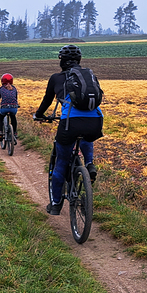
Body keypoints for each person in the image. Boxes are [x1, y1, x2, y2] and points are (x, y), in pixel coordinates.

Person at [32, 44, 103, 215]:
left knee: (61, 163)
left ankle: (56, 204)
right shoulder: (88, 76)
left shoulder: (56, 78)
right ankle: (89, 164)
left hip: (70, 123)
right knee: (86, 137)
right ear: (79, 60)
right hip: (95, 121)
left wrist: (39, 115)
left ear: (61, 61)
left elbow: (47, 100)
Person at [0, 73, 19, 141]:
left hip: (4, 108)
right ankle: (15, 132)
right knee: (13, 117)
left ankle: (0, 132)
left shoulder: (1, 89)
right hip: (14, 108)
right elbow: (15, 98)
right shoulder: (14, 88)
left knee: (0, 118)